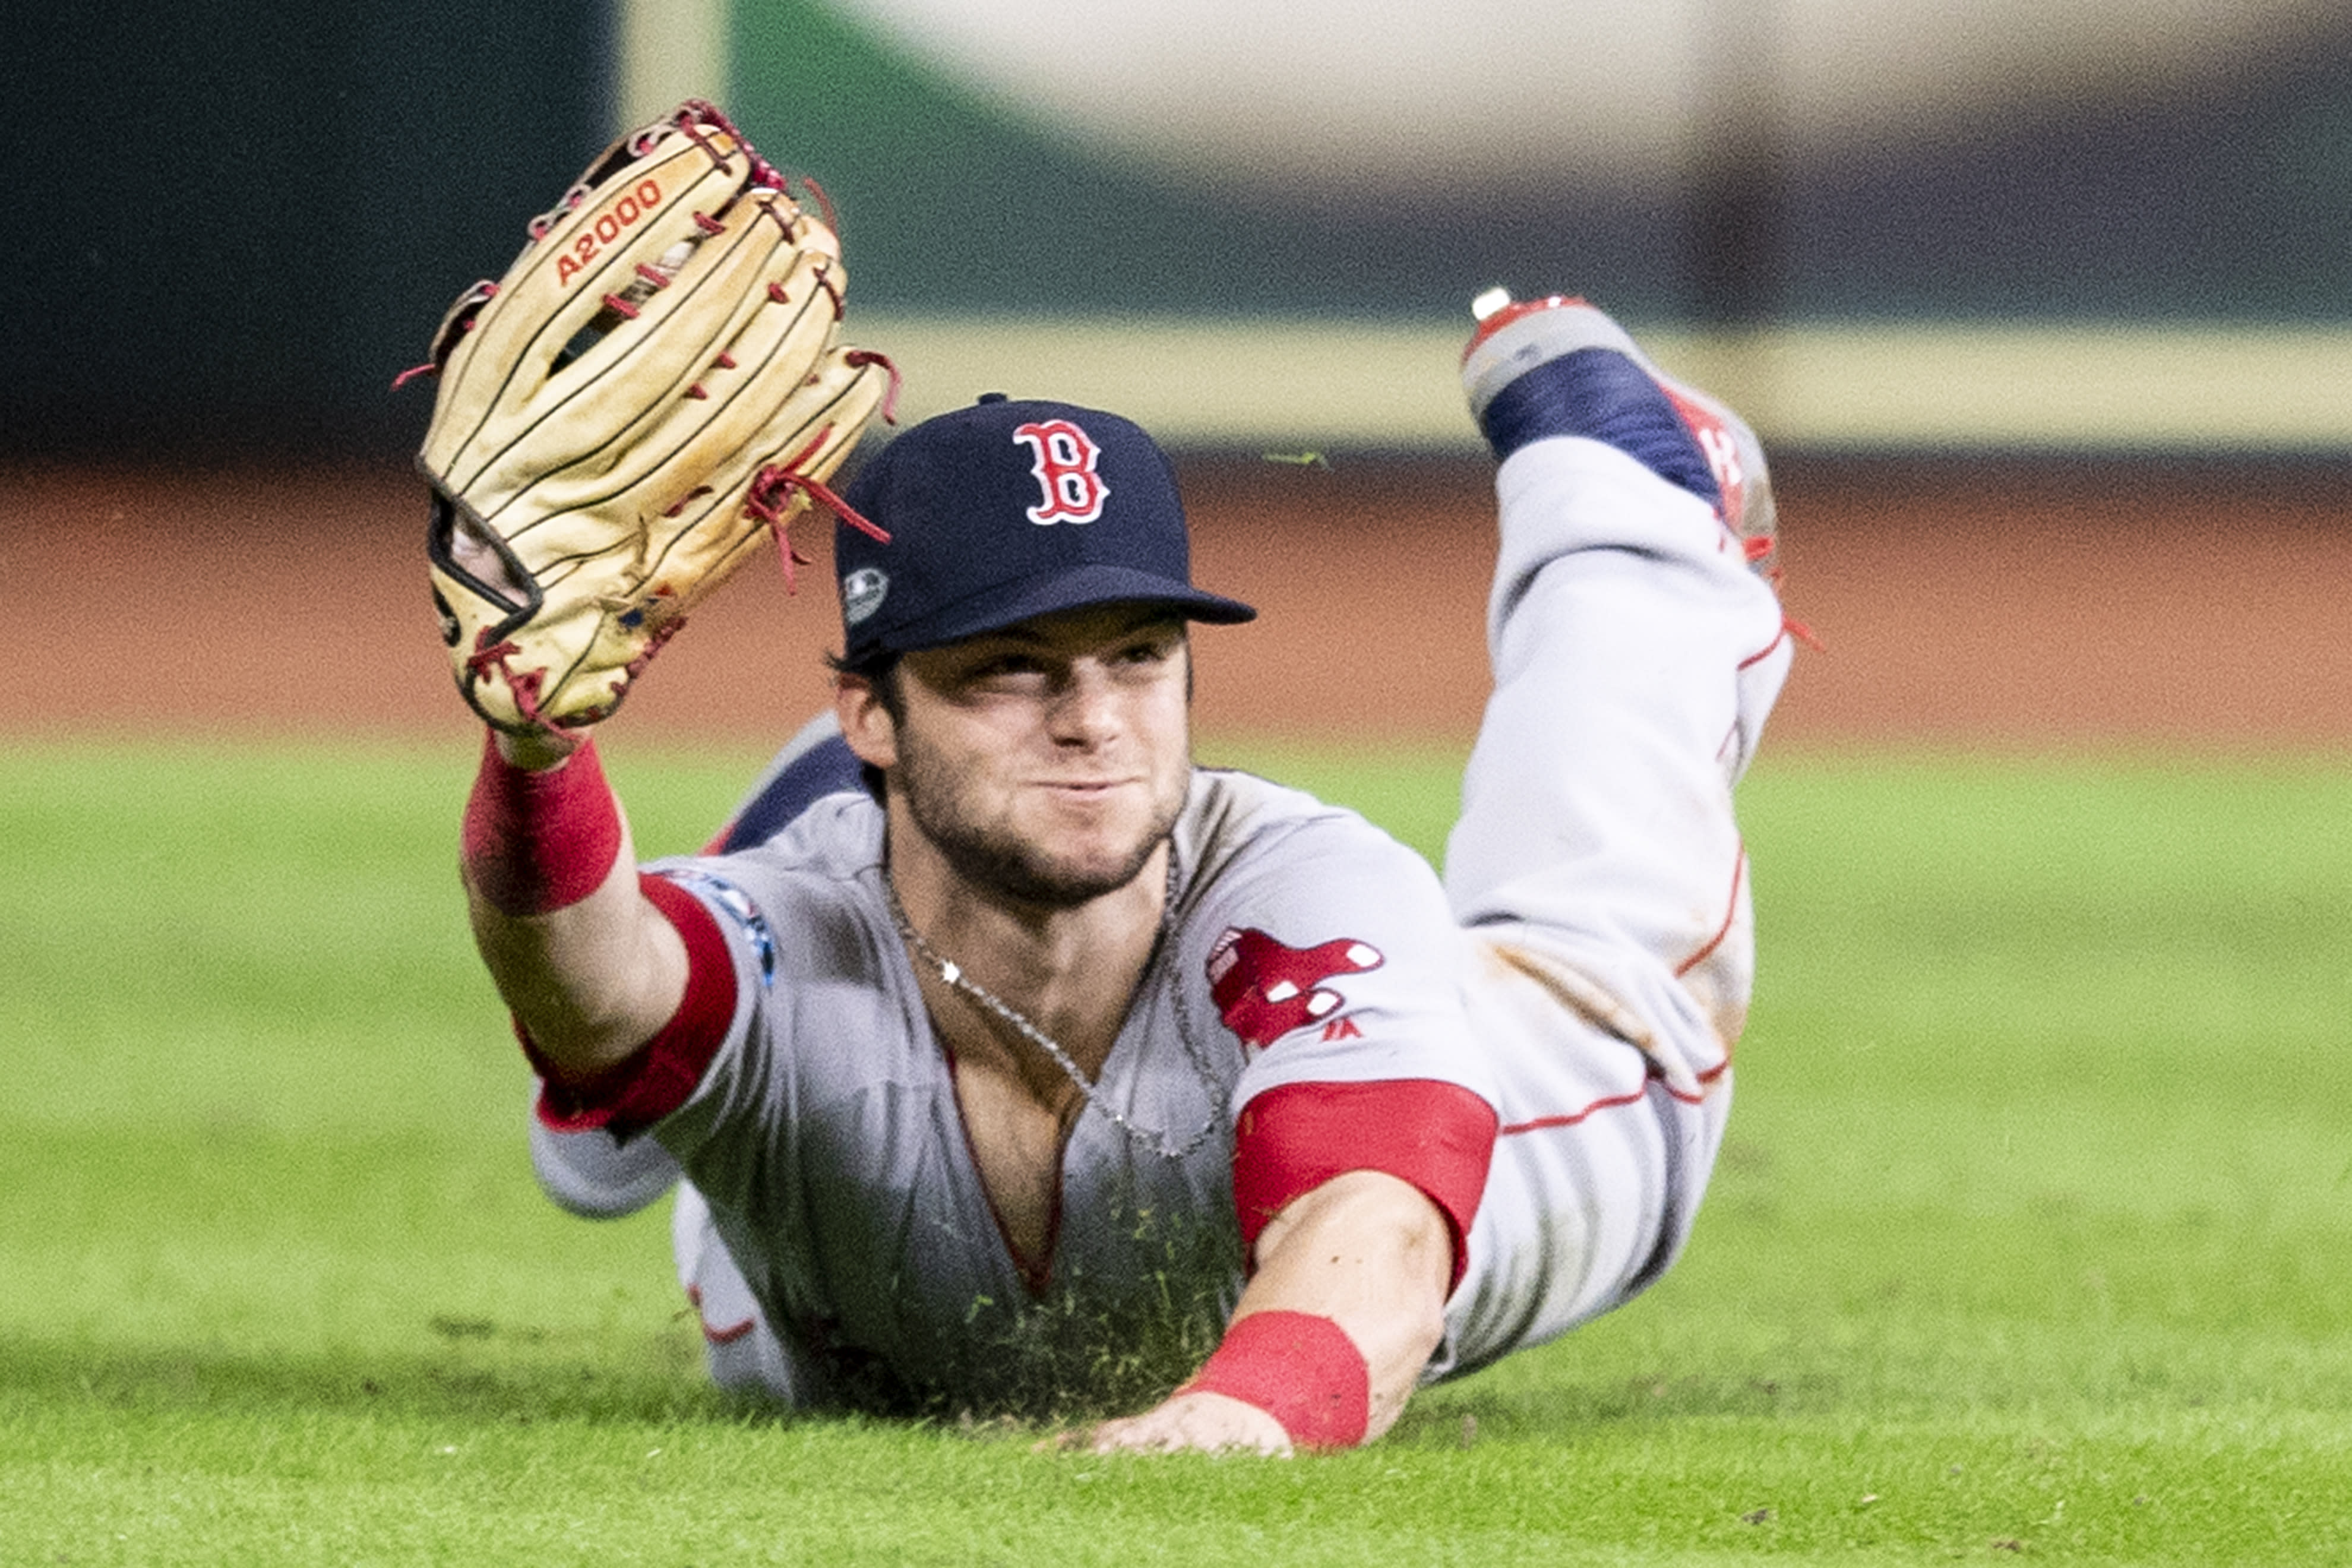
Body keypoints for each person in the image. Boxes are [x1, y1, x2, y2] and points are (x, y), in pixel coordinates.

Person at [465, 293, 1797, 1453]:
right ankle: (758, 955)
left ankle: (1637, 516)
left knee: (1608, 943)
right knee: (633, 1046)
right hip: (806, 1248)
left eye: (1140, 654)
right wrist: (536, 755)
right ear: (871, 710)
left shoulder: (1303, 893)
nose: (1093, 715)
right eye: (1011, 667)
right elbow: (600, 984)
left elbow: (1378, 1232)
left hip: (1497, 1156)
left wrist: (1241, 1417)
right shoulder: (795, 934)